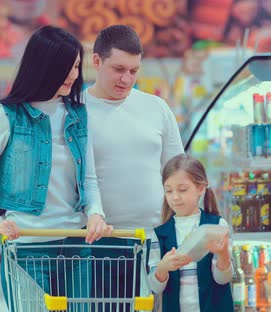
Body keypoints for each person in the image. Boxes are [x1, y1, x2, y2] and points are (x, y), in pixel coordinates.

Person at [0, 25, 111, 309]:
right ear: (44, 67)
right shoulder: (7, 115)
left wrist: (96, 214)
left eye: (77, 66)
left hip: (77, 245)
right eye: (66, 67)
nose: (73, 75)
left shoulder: (79, 114)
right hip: (27, 247)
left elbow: (89, 179)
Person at [83, 24, 184, 309]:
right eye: (118, 69)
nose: (127, 79)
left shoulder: (157, 108)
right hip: (100, 245)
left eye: (134, 70)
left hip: (157, 241)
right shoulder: (76, 111)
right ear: (96, 61)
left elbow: (176, 170)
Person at [149, 154, 233, 312]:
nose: (175, 197)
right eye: (169, 191)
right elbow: (155, 287)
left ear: (201, 188)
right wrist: (162, 267)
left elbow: (223, 279)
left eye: (182, 190)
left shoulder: (217, 226)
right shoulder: (160, 235)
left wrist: (223, 254)